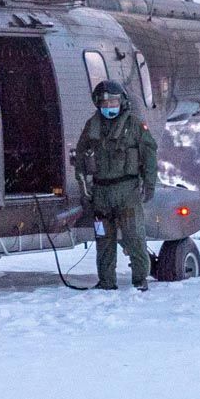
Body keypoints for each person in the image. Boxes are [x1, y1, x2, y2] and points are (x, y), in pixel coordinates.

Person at [74, 79, 158, 290]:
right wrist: (83, 185)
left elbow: (149, 156)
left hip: (127, 192)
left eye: (113, 103)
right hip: (101, 193)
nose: (109, 107)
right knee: (103, 240)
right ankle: (106, 281)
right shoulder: (92, 127)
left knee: (134, 238)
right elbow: (81, 156)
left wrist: (150, 185)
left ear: (122, 102)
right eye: (104, 104)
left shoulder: (135, 126)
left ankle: (140, 280)